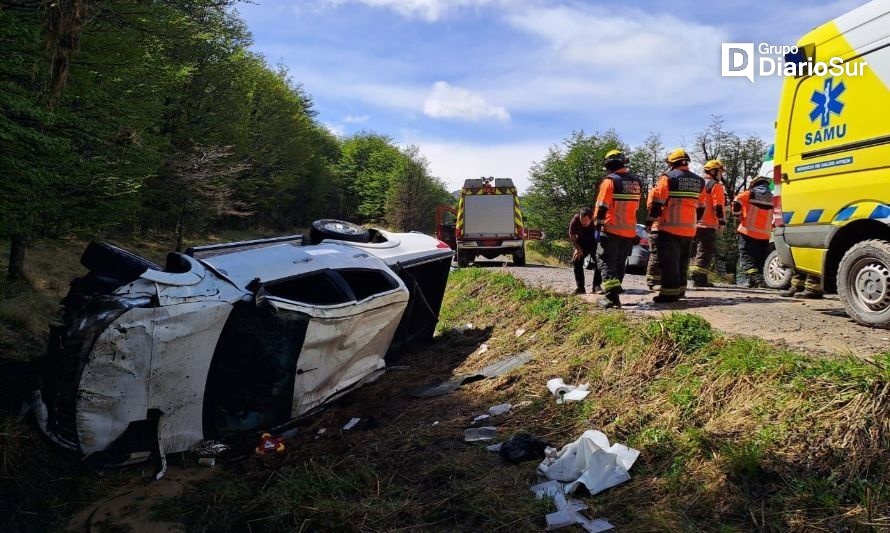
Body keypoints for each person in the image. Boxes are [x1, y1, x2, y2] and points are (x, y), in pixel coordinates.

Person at [645, 148, 706, 303]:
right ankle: (680, 290)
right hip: (689, 229)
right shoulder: (700, 181)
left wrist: (650, 221)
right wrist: (693, 222)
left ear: (672, 163)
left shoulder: (668, 177)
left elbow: (658, 202)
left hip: (669, 228)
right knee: (683, 261)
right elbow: (701, 207)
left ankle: (668, 294)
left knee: (669, 262)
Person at [593, 150, 643, 309]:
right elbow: (636, 208)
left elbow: (602, 207)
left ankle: (611, 298)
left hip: (611, 229)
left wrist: (598, 227)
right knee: (620, 263)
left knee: (605, 261)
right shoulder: (636, 182)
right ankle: (614, 298)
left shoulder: (610, 182)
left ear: (608, 165)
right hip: (628, 231)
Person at [689, 160, 727, 287]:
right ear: (713, 171)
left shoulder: (698, 183)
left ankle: (699, 277)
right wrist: (721, 222)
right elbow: (718, 206)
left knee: (696, 251)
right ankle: (698, 278)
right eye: (720, 172)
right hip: (707, 224)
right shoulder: (716, 185)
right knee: (705, 252)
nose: (721, 175)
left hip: (692, 223)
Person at [733, 176, 773, 288]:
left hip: (748, 231)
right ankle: (757, 281)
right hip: (765, 234)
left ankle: (754, 278)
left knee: (747, 256)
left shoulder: (750, 193)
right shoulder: (773, 197)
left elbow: (736, 201)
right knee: (760, 258)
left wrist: (736, 215)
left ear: (754, 184)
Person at [568, 207, 602, 294]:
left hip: (594, 242)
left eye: (586, 220)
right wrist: (577, 248)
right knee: (576, 261)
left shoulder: (596, 221)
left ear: (591, 218)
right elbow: (572, 235)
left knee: (600, 262)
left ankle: (596, 286)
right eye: (581, 220)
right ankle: (580, 287)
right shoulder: (575, 220)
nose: (583, 222)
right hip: (581, 243)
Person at [644, 187, 661, 291]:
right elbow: (652, 208)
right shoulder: (655, 191)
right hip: (656, 228)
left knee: (661, 256)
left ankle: (658, 281)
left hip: (663, 228)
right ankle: (652, 282)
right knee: (655, 255)